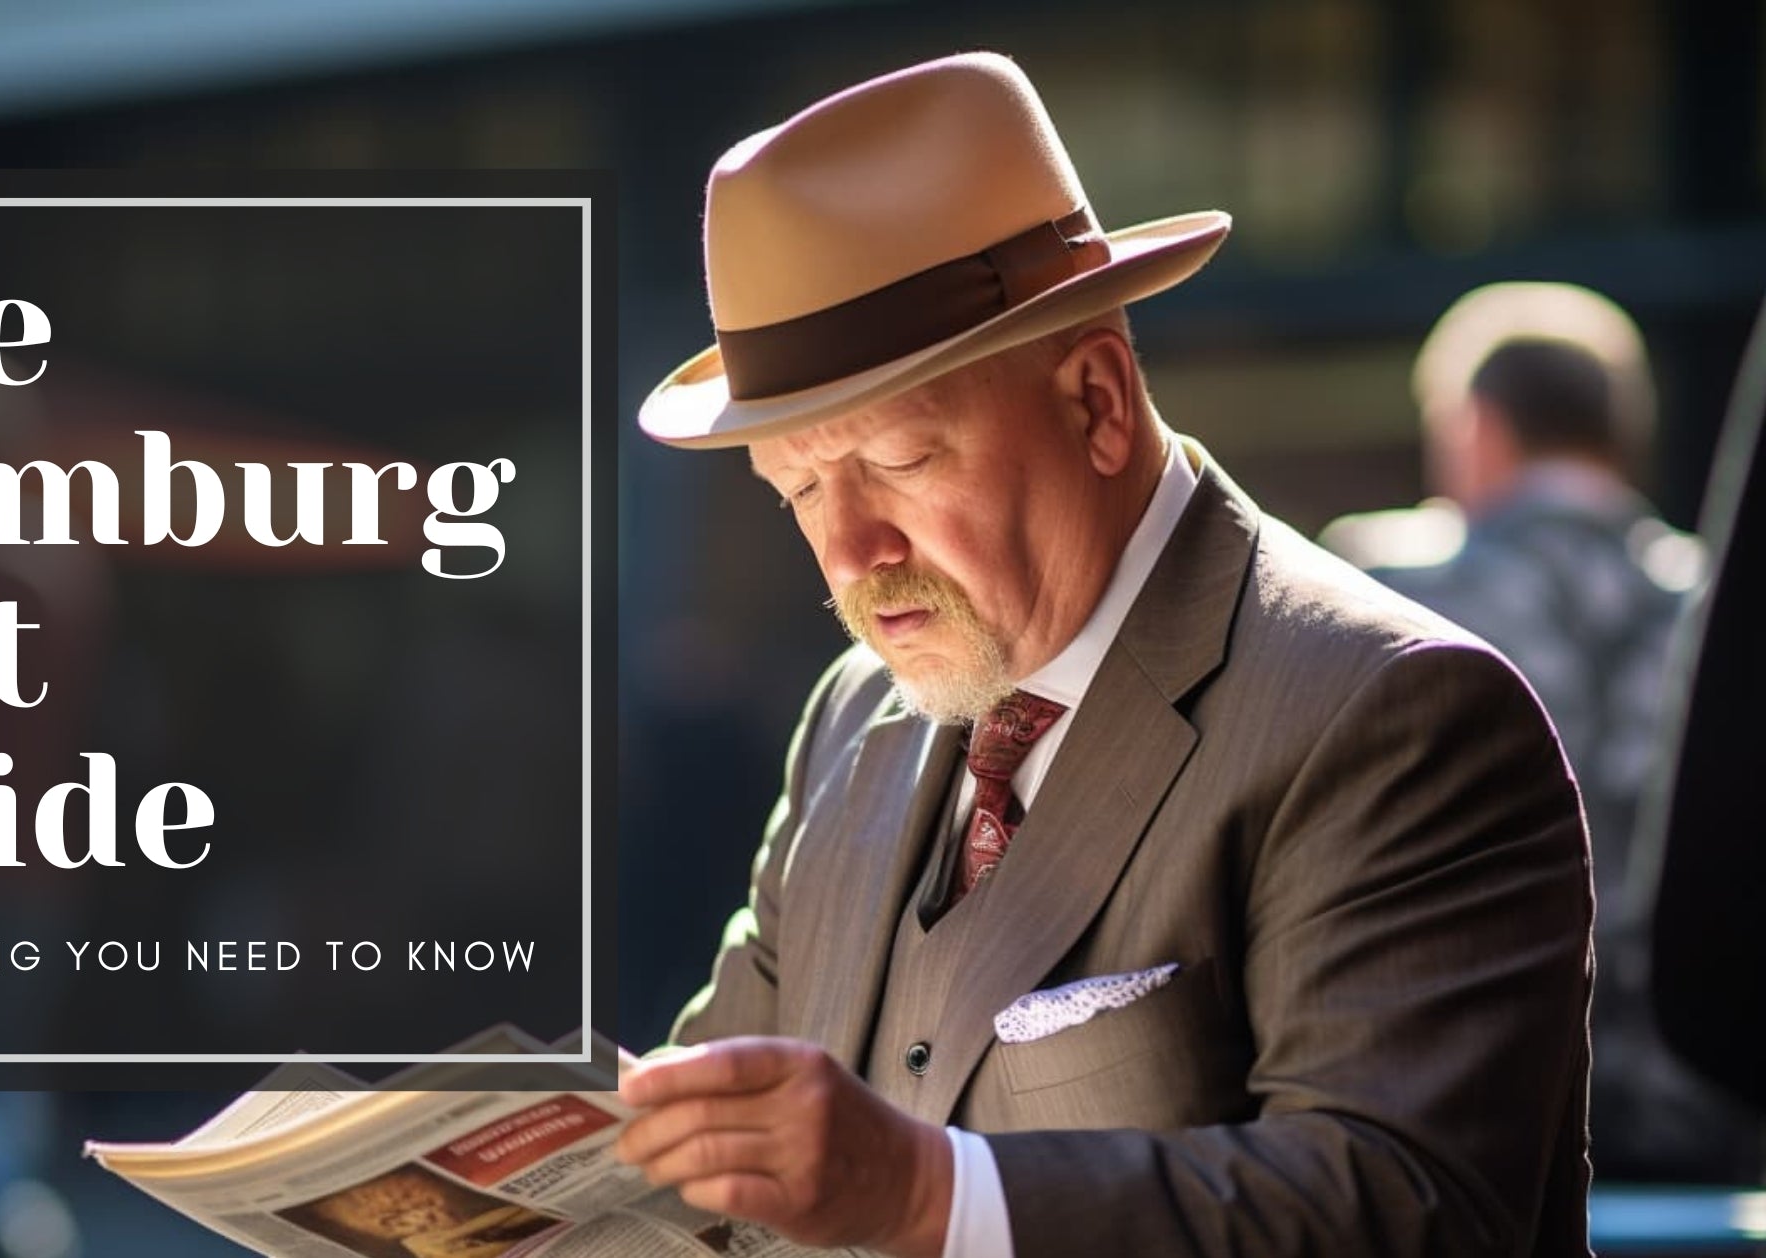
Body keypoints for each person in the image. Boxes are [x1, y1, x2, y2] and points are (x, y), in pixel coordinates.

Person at [612, 53, 1593, 1257]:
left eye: (900, 463)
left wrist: (928, 1193)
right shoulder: (851, 722)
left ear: (1094, 400)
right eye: (799, 488)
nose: (851, 549)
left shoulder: (1395, 713)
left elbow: (1401, 1211)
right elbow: (715, 1170)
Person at [1321, 284, 1753, 1183]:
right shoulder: (1720, 610)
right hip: (1712, 1132)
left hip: (1471, 1141)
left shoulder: (1386, 600)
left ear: (1475, 427)